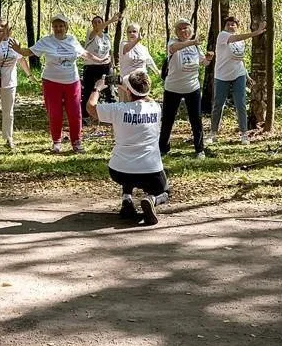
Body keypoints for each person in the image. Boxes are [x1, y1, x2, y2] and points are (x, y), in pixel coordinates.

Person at [14, 14, 108, 153]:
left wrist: (99, 60)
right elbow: (30, 51)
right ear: (53, 27)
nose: (58, 28)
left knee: (75, 112)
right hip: (51, 82)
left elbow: (84, 54)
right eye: (56, 26)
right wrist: (19, 50)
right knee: (55, 113)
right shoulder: (46, 41)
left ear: (66, 27)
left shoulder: (72, 40)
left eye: (61, 26)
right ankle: (56, 142)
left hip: (72, 82)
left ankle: (76, 142)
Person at [88, 70, 169, 226]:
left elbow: (91, 107)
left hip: (119, 170)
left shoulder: (118, 109)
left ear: (129, 91)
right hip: (149, 170)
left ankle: (127, 200)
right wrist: (131, 89)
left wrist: (97, 88)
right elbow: (145, 97)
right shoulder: (156, 108)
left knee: (129, 167)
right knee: (164, 191)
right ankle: (151, 199)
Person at [160, 19, 212, 159]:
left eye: (186, 28)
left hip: (192, 87)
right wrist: (193, 42)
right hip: (173, 88)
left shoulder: (195, 47)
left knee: (196, 119)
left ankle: (199, 149)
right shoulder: (172, 43)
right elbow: (175, 48)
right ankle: (163, 148)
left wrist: (209, 58)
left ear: (191, 30)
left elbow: (204, 63)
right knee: (168, 119)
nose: (184, 31)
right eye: (180, 29)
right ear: (176, 32)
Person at [211, 16, 266, 145]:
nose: (231, 26)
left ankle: (244, 133)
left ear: (237, 27)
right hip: (222, 75)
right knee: (219, 104)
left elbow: (239, 59)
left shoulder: (240, 42)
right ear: (225, 26)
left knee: (240, 104)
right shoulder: (223, 36)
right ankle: (213, 132)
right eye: (228, 24)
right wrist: (256, 33)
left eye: (233, 24)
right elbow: (235, 38)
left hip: (238, 74)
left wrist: (247, 76)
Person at [0, 19, 33, 149]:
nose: (0, 28)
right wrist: (2, 34)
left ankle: (8, 138)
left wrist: (29, 75)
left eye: (4, 26)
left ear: (10, 28)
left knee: (8, 110)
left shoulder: (15, 42)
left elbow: (21, 59)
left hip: (9, 80)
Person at [81, 11, 121, 122]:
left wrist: (113, 65)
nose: (98, 24)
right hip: (91, 67)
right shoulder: (90, 34)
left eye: (100, 21)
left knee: (110, 90)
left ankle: (112, 116)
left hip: (106, 67)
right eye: (95, 22)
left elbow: (110, 52)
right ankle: (85, 116)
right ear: (92, 25)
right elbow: (98, 30)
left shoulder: (107, 36)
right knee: (88, 91)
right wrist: (112, 20)